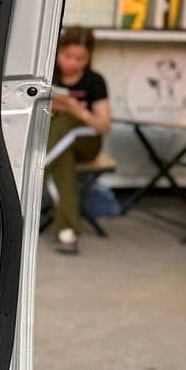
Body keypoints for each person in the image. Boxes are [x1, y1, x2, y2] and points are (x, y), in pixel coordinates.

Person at [46, 25, 112, 254]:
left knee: (66, 122)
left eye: (80, 59)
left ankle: (38, 165)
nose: (72, 63)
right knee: (62, 160)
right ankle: (68, 232)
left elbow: (103, 126)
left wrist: (77, 110)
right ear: (58, 51)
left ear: (89, 57)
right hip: (59, 145)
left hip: (87, 141)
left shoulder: (95, 81)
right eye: (67, 56)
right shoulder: (48, 76)